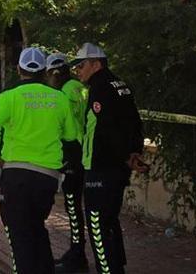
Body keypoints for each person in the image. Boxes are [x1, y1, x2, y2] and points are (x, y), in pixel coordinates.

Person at [0, 47, 79, 274]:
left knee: (20, 235)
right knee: (37, 227)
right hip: (48, 177)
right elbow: (71, 135)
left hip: (16, 174)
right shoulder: (60, 98)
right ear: (45, 71)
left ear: (19, 69)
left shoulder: (8, 97)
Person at [71, 43, 147, 274]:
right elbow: (134, 122)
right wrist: (134, 152)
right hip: (116, 167)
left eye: (81, 65)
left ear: (96, 64)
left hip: (101, 167)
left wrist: (126, 155)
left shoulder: (100, 88)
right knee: (110, 221)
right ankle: (116, 268)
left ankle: (107, 270)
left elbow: (108, 129)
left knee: (97, 224)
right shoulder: (119, 84)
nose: (78, 71)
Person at [46, 52, 90, 273]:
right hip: (88, 151)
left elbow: (66, 128)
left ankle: (77, 253)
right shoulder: (81, 88)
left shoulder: (63, 94)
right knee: (79, 206)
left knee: (72, 206)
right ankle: (77, 251)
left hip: (74, 152)